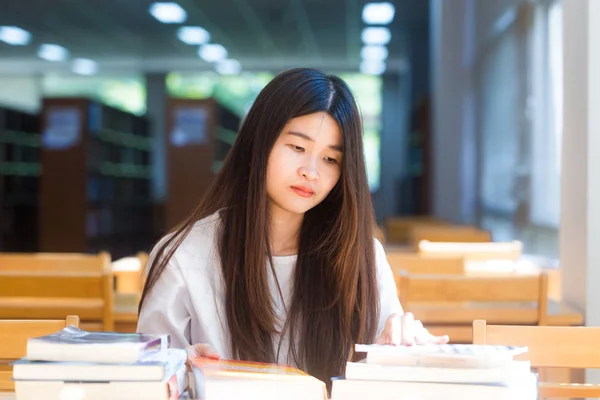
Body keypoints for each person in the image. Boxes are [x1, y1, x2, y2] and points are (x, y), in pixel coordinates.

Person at [137, 68, 449, 384]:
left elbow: (386, 365)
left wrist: (401, 346)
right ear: (259, 142)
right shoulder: (183, 255)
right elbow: (149, 378)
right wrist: (177, 370)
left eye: (331, 160)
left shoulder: (361, 256)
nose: (311, 172)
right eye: (298, 148)